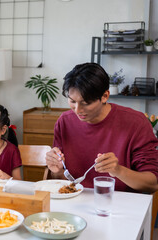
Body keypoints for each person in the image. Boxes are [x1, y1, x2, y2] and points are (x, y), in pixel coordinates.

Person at [45, 62, 158, 193]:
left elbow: (152, 183)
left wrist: (118, 170)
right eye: (72, 101)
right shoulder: (64, 122)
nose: (78, 110)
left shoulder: (136, 123)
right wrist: (58, 171)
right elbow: (59, 178)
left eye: (85, 103)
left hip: (121, 204)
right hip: (75, 200)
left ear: (105, 96)